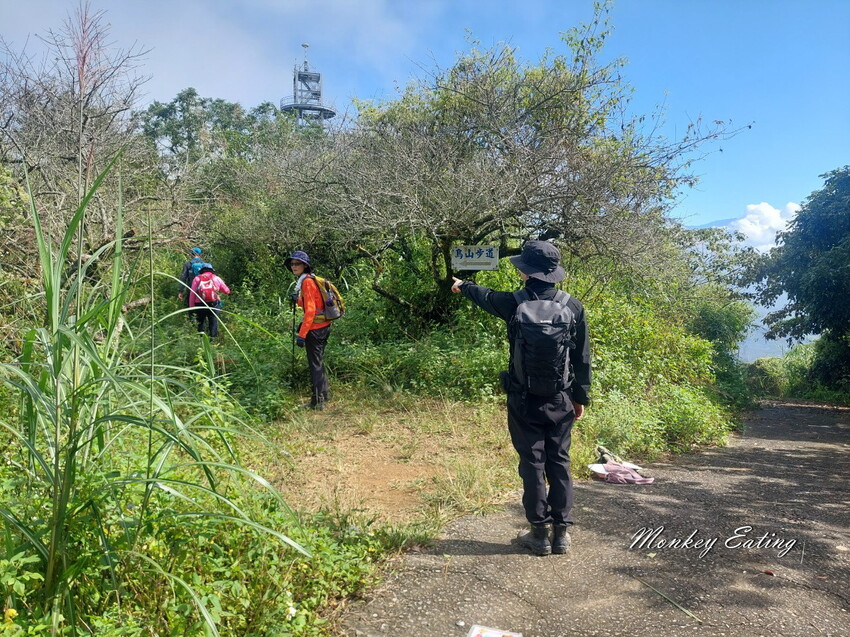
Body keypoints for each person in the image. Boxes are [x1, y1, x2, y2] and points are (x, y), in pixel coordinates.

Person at [451, 240, 591, 556]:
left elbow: (483, 295)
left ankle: (539, 534)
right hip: (561, 399)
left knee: (532, 462)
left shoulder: (513, 302)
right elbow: (582, 358)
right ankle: (562, 534)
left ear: (526, 272)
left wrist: (463, 285)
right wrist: (579, 398)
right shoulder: (573, 306)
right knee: (560, 461)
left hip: (523, 399)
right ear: (554, 273)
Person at [285, 250, 332, 410]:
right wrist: (298, 300)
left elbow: (310, 311)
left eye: (297, 263)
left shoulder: (306, 282)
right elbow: (314, 304)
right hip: (323, 326)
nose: (293, 266)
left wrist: (301, 335)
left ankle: (318, 401)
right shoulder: (310, 280)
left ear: (305, 265)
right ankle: (324, 394)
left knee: (315, 365)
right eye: (292, 264)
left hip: (315, 329)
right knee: (318, 361)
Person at [189, 263, 230, 338]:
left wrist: (192, 307)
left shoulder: (197, 279)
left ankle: (202, 340)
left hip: (200, 304)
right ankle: (213, 340)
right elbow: (227, 291)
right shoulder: (216, 278)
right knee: (213, 321)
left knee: (200, 322)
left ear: (202, 270)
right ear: (211, 270)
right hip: (213, 304)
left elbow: (192, 293)